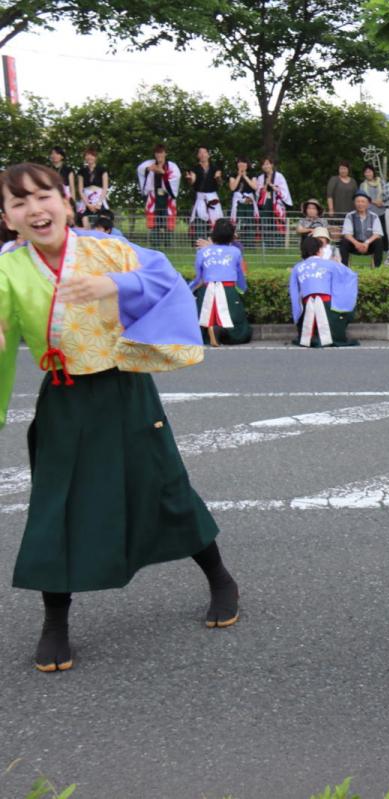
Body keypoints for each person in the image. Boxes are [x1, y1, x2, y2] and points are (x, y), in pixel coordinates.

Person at [0, 163, 240, 673]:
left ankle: (220, 577)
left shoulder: (107, 248)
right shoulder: (8, 268)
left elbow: (165, 280)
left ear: (67, 202)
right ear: (7, 218)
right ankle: (55, 620)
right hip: (64, 397)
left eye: (43, 196)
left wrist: (113, 284)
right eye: (18, 203)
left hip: (125, 387)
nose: (34, 209)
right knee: (55, 505)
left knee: (164, 487)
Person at [190, 218, 251, 346]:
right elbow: (240, 276)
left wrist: (188, 289)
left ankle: (209, 331)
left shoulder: (203, 252)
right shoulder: (235, 251)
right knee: (240, 331)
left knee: (202, 317)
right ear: (231, 235)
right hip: (229, 291)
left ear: (214, 234)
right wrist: (243, 289)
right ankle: (221, 331)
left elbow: (198, 278)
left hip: (206, 291)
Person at [290, 235, 359, 347]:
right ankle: (332, 337)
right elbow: (350, 276)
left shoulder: (298, 267)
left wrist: (297, 314)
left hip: (306, 305)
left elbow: (294, 293)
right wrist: (338, 263)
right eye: (321, 248)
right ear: (318, 250)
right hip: (328, 306)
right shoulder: (330, 264)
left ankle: (309, 337)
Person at [136, 144, 180, 246]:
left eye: (161, 152)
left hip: (167, 197)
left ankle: (168, 244)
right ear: (155, 154)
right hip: (154, 197)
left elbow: (175, 178)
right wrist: (148, 170)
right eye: (157, 153)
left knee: (168, 220)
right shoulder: (150, 164)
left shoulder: (172, 166)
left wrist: (163, 173)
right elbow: (140, 169)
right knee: (154, 221)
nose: (159, 155)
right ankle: (155, 243)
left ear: (165, 153)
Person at [340, 191, 385, 268]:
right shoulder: (350, 216)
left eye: (363, 202)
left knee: (379, 241)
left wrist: (366, 243)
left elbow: (377, 234)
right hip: (354, 245)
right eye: (358, 201)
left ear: (367, 204)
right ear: (354, 203)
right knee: (344, 241)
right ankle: (344, 268)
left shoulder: (374, 216)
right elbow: (347, 234)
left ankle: (377, 268)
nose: (360, 204)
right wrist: (357, 243)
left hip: (369, 245)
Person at [186, 146, 223, 233]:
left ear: (208, 155)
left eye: (204, 152)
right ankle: (200, 241)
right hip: (200, 197)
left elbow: (220, 182)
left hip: (212, 196)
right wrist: (190, 179)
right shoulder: (195, 168)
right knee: (200, 220)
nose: (202, 154)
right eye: (200, 152)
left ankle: (216, 242)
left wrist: (218, 178)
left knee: (217, 220)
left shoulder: (215, 167)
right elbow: (193, 180)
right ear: (198, 155)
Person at [256, 156, 291, 248]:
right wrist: (266, 184)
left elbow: (284, 190)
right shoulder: (260, 177)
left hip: (277, 202)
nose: (265, 166)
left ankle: (278, 245)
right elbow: (258, 191)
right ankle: (267, 245)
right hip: (265, 201)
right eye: (263, 164)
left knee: (277, 222)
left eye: (267, 163)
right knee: (266, 222)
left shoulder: (279, 176)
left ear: (272, 165)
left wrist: (273, 187)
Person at [76, 148, 109, 227]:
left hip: (100, 197)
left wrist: (99, 203)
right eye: (87, 155)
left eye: (91, 155)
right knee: (82, 216)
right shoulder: (81, 171)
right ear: (84, 157)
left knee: (104, 218)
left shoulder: (102, 170)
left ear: (95, 157)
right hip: (86, 198)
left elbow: (105, 188)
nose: (89, 157)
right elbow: (80, 190)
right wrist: (88, 204)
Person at [227, 156, 258, 237]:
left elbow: (254, 187)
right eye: (239, 162)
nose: (242, 164)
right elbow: (232, 187)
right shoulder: (233, 174)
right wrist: (239, 175)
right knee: (236, 221)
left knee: (249, 221)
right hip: (237, 202)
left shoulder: (252, 174)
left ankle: (250, 242)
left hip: (249, 201)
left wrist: (245, 176)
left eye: (244, 162)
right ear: (237, 164)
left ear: (247, 164)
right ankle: (235, 240)